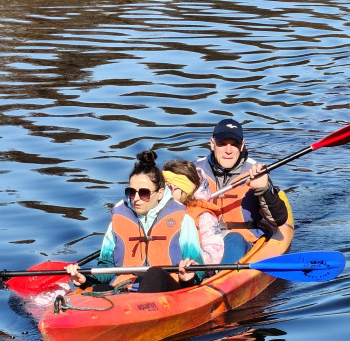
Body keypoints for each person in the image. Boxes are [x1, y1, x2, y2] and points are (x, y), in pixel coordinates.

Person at [66, 150, 204, 293]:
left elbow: (198, 270)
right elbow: (107, 267)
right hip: (126, 289)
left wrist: (189, 277)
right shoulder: (118, 220)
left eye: (143, 193)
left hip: (169, 289)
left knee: (155, 274)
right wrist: (86, 278)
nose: (136, 198)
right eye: (131, 192)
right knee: (99, 289)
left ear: (160, 193)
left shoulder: (182, 220)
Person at [194, 118, 291, 262]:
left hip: (244, 243)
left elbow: (278, 220)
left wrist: (264, 189)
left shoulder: (256, 171)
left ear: (242, 146)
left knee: (235, 239)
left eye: (234, 145)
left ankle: (223, 280)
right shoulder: (193, 171)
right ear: (212, 144)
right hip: (204, 240)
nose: (228, 150)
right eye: (222, 144)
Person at [162, 158, 224, 266]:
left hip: (195, 271)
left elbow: (215, 256)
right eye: (162, 188)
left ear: (186, 189)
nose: (164, 192)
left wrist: (181, 256)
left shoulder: (204, 217)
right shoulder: (160, 212)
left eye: (170, 187)